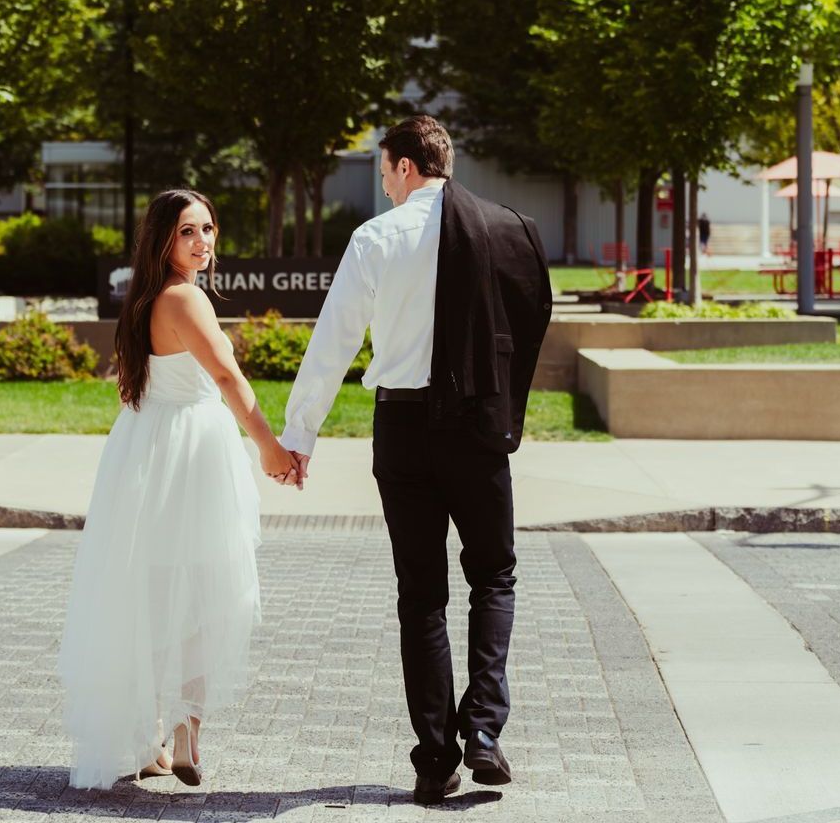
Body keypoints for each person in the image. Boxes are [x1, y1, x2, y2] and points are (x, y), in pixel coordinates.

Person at [280, 115, 552, 806]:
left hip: (402, 429)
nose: (383, 186)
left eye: (383, 172)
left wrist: (299, 435)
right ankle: (484, 732)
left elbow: (333, 341)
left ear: (404, 166)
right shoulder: (506, 229)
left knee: (421, 596)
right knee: (494, 575)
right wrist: (503, 406)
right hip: (477, 427)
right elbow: (529, 317)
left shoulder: (377, 237)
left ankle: (436, 759)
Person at [59, 189, 299, 791]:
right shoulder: (186, 297)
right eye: (188, 231)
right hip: (192, 450)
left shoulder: (140, 300)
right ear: (163, 239)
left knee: (153, 590)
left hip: (144, 449)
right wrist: (269, 445)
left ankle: (145, 738)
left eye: (209, 230)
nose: (202, 242)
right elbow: (224, 375)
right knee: (204, 590)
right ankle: (188, 730)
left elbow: (128, 388)